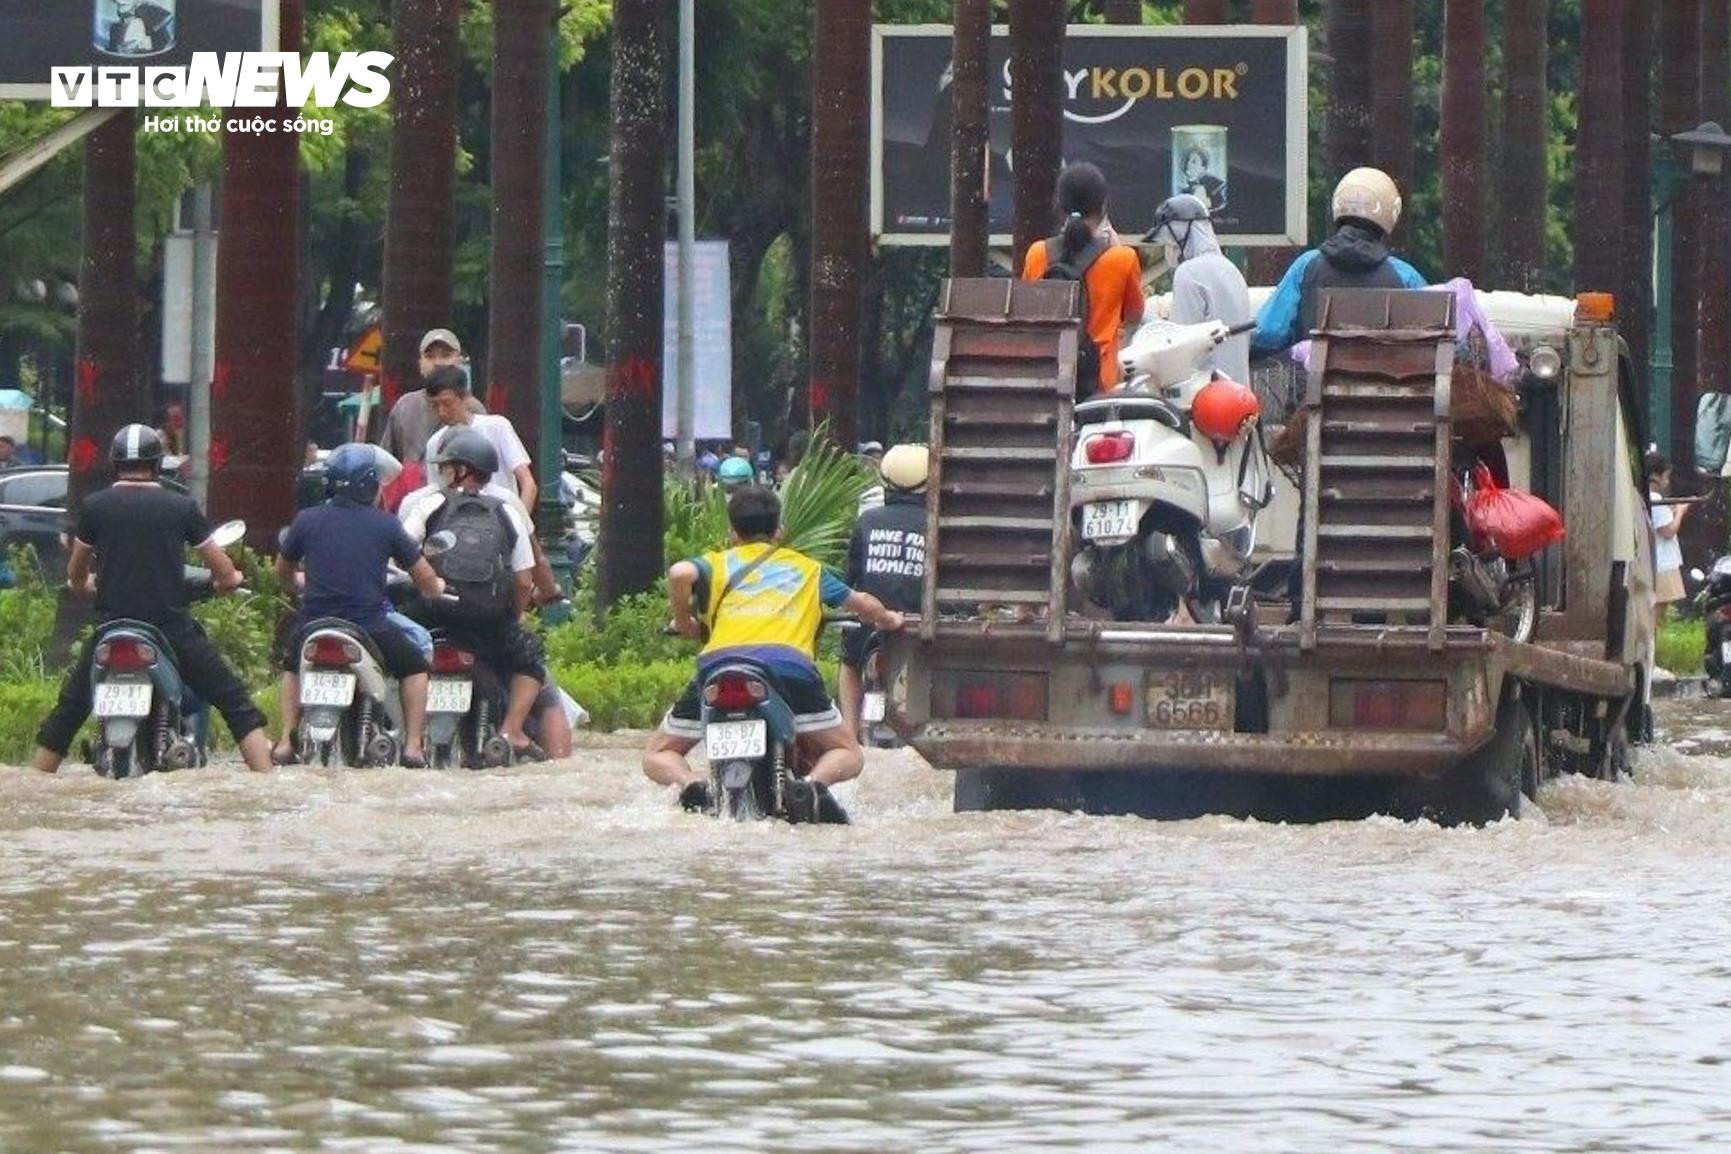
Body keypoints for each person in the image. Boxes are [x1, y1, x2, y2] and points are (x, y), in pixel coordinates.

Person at [642, 486, 906, 809]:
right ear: (779, 532)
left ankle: (693, 784)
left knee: (657, 753)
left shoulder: (716, 564)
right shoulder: (809, 570)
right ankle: (810, 787)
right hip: (788, 669)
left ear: (732, 535)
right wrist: (889, 619)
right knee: (849, 752)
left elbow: (680, 572)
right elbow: (862, 603)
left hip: (718, 667)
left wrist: (684, 624)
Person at [30, 425, 272, 775]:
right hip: (169, 628)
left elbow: (76, 576)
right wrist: (230, 581)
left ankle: (34, 784)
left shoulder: (95, 507)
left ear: (115, 464)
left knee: (66, 715)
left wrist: (89, 587)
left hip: (110, 628)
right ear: (157, 464)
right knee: (235, 703)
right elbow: (222, 571)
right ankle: (266, 782)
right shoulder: (181, 507)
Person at [273, 444, 446, 767]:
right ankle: (412, 746)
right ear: (369, 485)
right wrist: (436, 587)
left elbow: (282, 570)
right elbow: (424, 577)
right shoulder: (386, 525)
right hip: (369, 626)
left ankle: (284, 741)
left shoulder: (306, 520)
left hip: (314, 625)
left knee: (291, 665)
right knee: (415, 667)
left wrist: (297, 582)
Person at [399, 429, 548, 761]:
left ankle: (401, 733)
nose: (443, 471)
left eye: (448, 466)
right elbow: (524, 580)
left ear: (462, 469)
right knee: (533, 656)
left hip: (432, 614)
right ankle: (513, 729)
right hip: (488, 621)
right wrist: (512, 615)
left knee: (392, 649)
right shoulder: (507, 510)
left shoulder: (431, 504)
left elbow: (401, 551)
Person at [1252, 167, 1427, 356]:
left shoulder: (1306, 265)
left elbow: (1269, 334)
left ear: (1337, 205)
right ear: (1392, 212)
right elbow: (1431, 337)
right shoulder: (1404, 276)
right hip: (1389, 385)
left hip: (1311, 384)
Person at [1020, 162, 1147, 396]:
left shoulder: (1036, 253)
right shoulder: (1123, 258)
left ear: (1060, 205)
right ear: (1103, 206)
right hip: (1100, 386)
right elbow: (1134, 316)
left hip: (1046, 379)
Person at [839, 445, 927, 738]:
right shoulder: (935, 524)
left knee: (850, 664)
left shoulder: (868, 520)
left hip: (869, 619)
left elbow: (850, 577)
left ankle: (849, 733)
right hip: (918, 622)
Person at [1144, 193, 1253, 387]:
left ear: (1183, 235)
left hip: (1206, 396)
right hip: (1240, 394)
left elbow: (1182, 346)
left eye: (1169, 242)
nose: (1169, 249)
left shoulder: (1188, 273)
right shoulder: (1231, 269)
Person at [422, 366, 537, 511]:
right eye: (434, 405)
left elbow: (528, 483)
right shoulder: (434, 443)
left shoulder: (497, 426)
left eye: (447, 403)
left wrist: (520, 525)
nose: (441, 411)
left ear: (465, 397)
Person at [376, 329, 485, 465]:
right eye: (430, 356)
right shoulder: (405, 406)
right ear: (420, 363)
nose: (438, 362)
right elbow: (387, 461)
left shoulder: (474, 408)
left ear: (459, 361)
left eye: (446, 355)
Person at [1648, 451, 1690, 624]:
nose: (1667, 481)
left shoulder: (1652, 498)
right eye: (1666, 476)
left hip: (1661, 563)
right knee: (1656, 614)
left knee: (1660, 612)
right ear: (1656, 476)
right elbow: (1668, 531)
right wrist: (1680, 512)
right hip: (1662, 563)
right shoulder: (1655, 498)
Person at [1177, 146, 1228, 214]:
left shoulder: (1216, 185)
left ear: (1203, 167)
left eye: (1194, 162)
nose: (1188, 164)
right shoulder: (1184, 190)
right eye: (1188, 160)